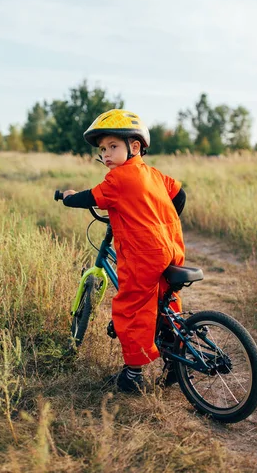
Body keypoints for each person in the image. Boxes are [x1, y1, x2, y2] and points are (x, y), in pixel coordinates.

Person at [62, 109, 186, 393]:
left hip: (143, 254)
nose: (106, 154)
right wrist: (159, 217)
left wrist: (69, 198)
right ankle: (176, 362)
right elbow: (179, 194)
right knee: (166, 302)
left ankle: (132, 375)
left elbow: (91, 197)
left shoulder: (118, 179)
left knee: (132, 308)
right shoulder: (153, 174)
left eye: (113, 146)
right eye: (103, 149)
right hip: (171, 246)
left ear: (134, 147)